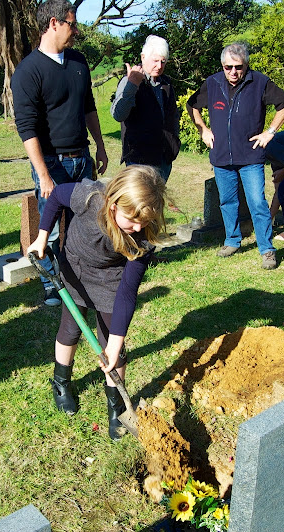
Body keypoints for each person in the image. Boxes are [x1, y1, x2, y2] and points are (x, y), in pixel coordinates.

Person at [26, 166, 166, 440]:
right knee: (70, 328)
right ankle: (61, 383)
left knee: (113, 344)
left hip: (111, 279)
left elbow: (127, 291)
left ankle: (117, 407)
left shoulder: (142, 237)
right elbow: (57, 196)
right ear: (113, 206)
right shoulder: (90, 197)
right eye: (133, 220)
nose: (139, 227)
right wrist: (42, 237)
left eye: (144, 221)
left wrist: (114, 344)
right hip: (76, 267)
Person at [12, 0, 109, 307]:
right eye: (71, 24)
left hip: (82, 158)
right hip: (52, 164)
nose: (76, 30)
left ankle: (84, 276)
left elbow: (89, 107)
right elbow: (26, 128)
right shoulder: (28, 71)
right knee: (51, 229)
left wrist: (100, 145)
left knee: (86, 222)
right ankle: (52, 285)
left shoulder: (78, 61)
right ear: (54, 23)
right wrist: (43, 175)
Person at [187, 43, 284, 269]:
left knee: (257, 203)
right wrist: (203, 129)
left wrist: (270, 132)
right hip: (221, 156)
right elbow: (192, 105)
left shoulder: (260, 82)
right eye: (228, 67)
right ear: (222, 66)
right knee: (227, 202)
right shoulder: (212, 83)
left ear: (246, 65)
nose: (233, 72)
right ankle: (232, 241)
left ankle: (267, 249)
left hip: (250, 155)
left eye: (238, 67)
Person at [111, 35, 180, 183]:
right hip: (138, 159)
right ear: (143, 57)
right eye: (155, 61)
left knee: (158, 197)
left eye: (163, 61)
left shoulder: (166, 83)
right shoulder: (129, 80)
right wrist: (132, 85)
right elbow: (118, 114)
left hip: (163, 158)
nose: (159, 66)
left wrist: (174, 144)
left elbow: (173, 116)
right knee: (141, 198)